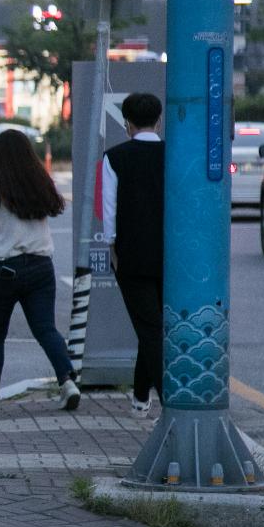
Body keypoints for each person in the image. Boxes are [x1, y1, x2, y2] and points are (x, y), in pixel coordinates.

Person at [0, 129, 81, 416]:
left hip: (4, 269)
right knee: (46, 329)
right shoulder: (40, 182)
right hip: (42, 266)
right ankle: (68, 381)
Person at [102, 92, 165, 419]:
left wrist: (113, 248)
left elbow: (109, 211)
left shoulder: (114, 158)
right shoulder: (174, 154)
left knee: (149, 328)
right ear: (159, 121)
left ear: (126, 123)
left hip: (132, 255)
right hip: (172, 256)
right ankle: (141, 397)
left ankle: (169, 400)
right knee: (153, 326)